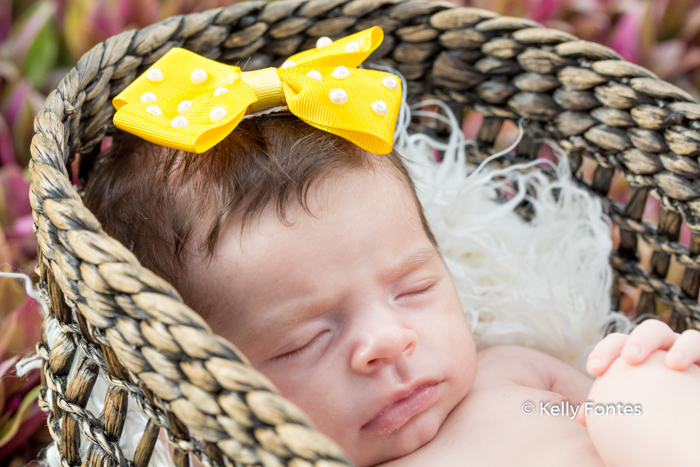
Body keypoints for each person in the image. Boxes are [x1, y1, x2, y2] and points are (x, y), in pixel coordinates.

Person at [84, 29, 700, 467]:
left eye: (414, 288)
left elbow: (608, 421)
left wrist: (651, 388)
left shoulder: (508, 377)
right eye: (304, 341)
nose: (386, 341)